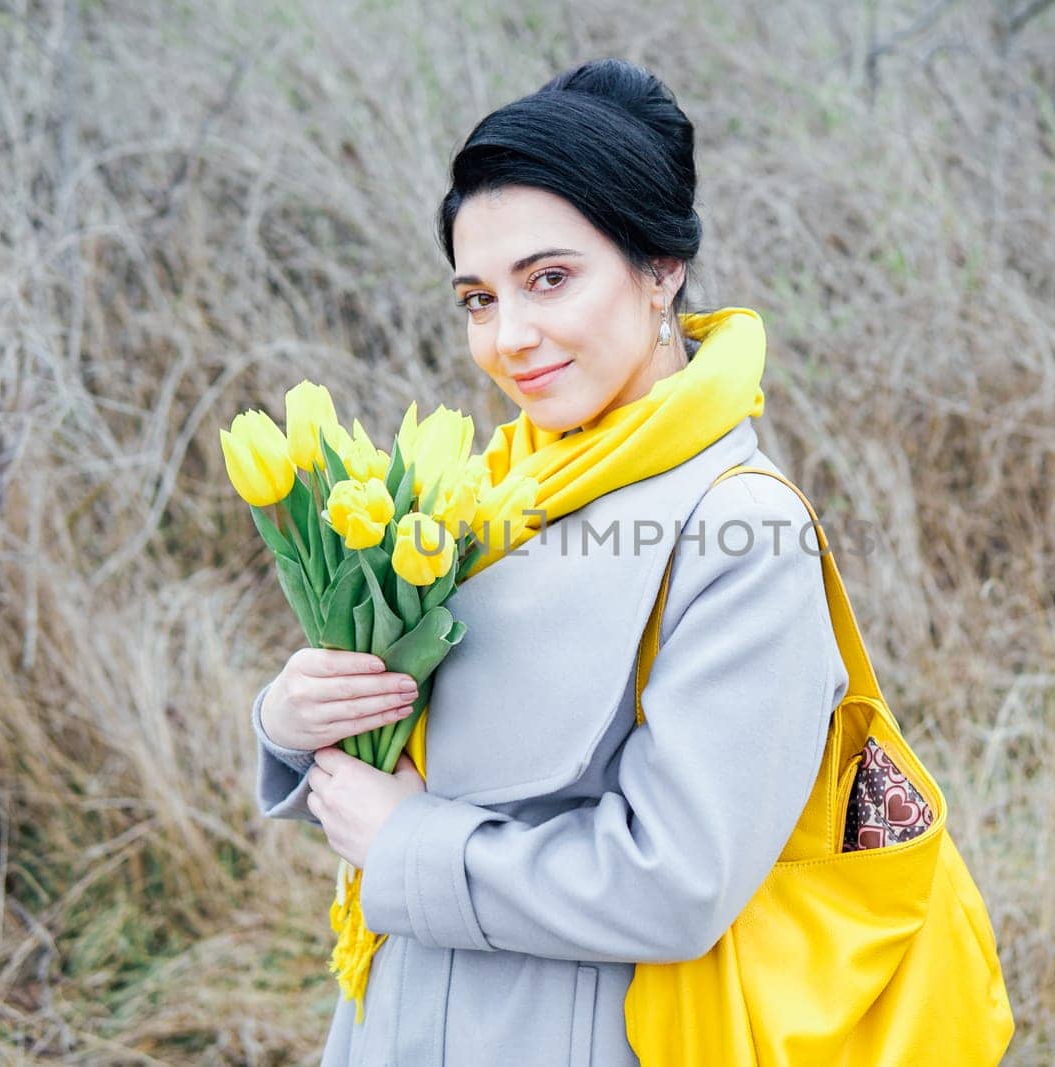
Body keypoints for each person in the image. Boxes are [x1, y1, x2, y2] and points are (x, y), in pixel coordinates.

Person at [252, 57, 847, 1066]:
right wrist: (295, 714)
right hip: (399, 1016)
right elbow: (423, 765)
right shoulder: (487, 488)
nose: (509, 337)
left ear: (662, 270)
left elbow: (679, 880)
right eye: (477, 298)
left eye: (550, 279)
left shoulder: (741, 531)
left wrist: (411, 844)